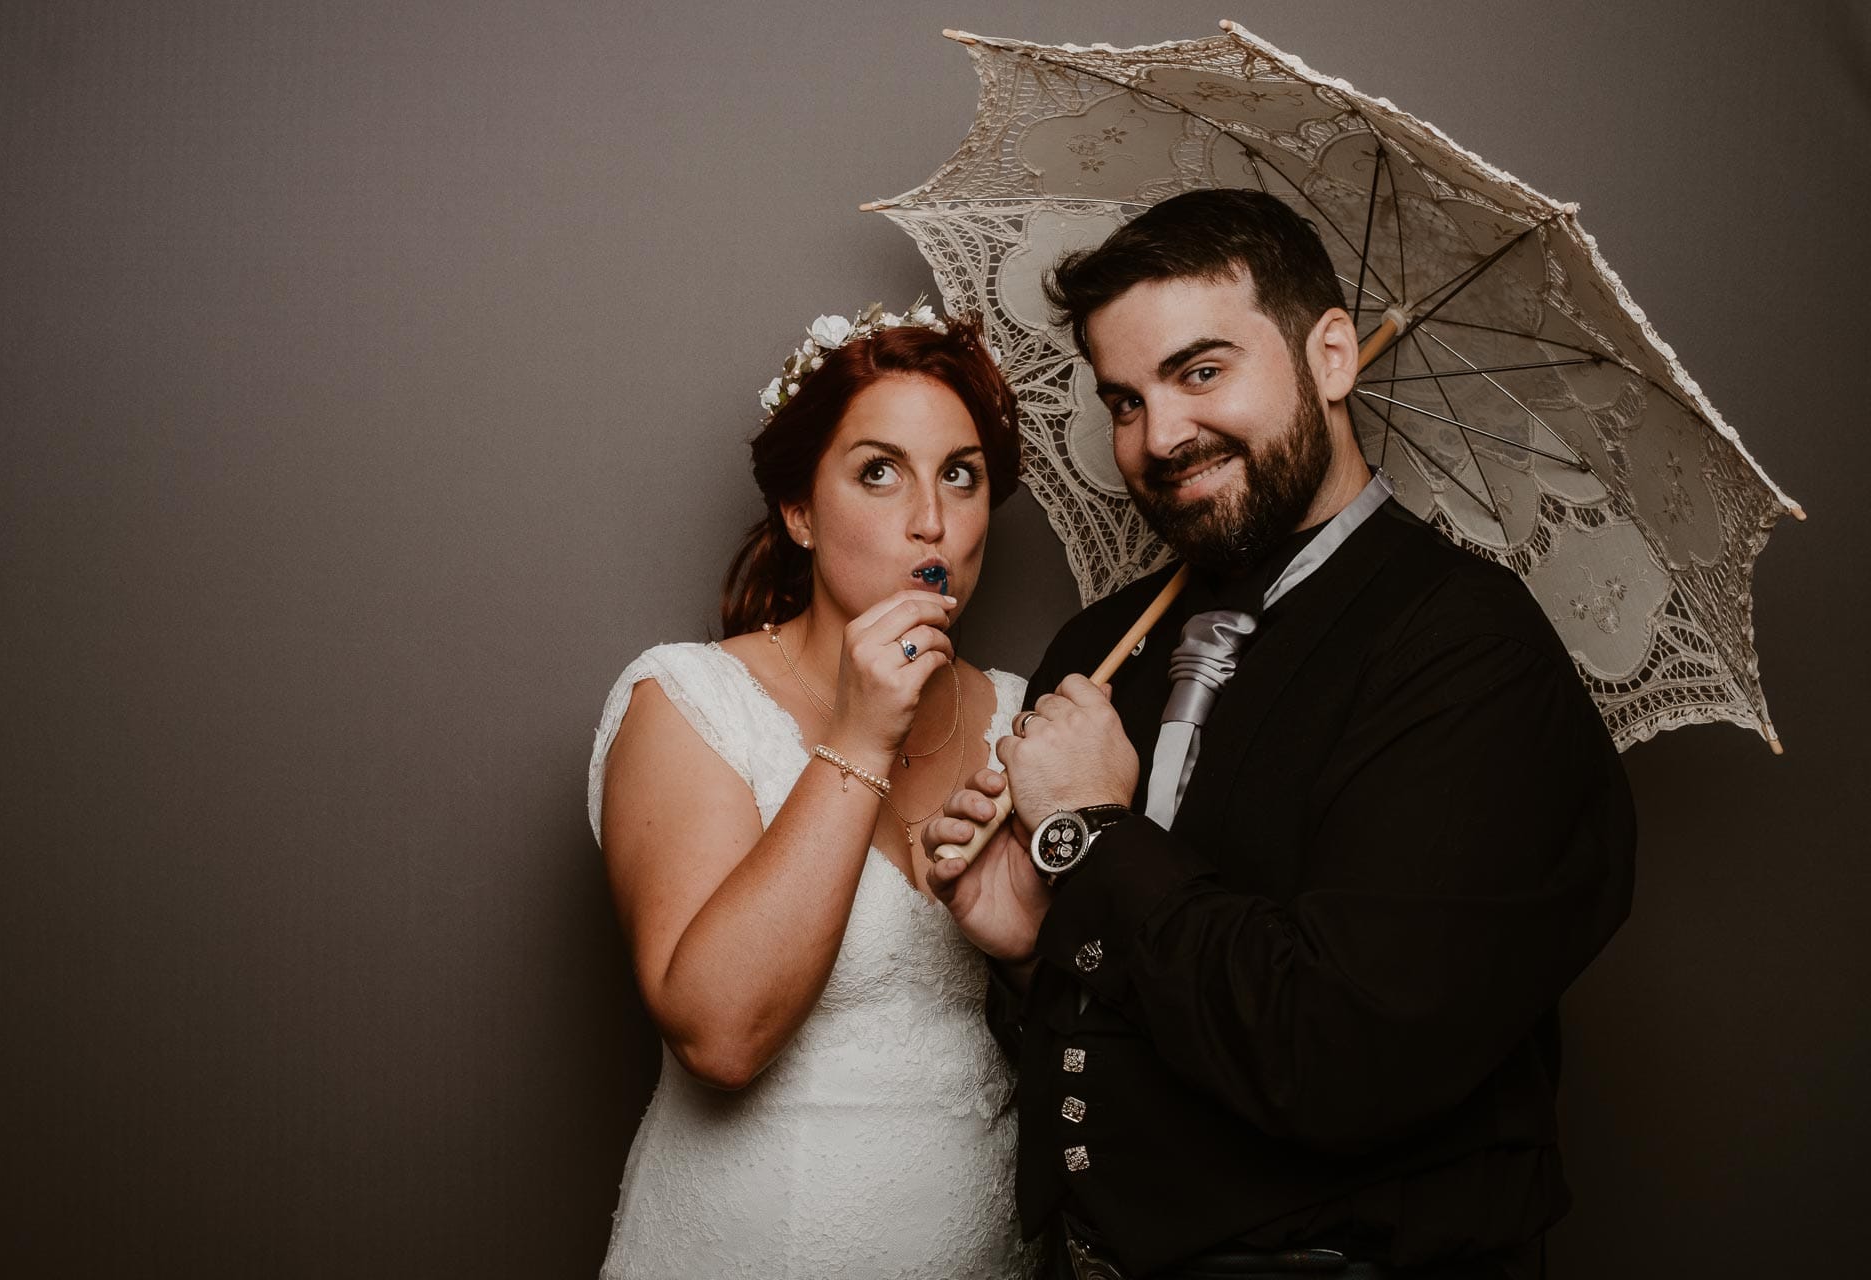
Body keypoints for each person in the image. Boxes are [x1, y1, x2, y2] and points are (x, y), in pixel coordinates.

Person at [926, 190, 1636, 1279]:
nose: (1157, 437)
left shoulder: (1468, 650)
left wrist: (1093, 830)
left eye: (1199, 371)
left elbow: (1339, 1052)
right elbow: (1109, 1028)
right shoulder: (1099, 643)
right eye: (1123, 399)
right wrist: (1028, 948)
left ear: (1334, 354)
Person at [588, 302, 1041, 1279]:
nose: (931, 518)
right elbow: (718, 1032)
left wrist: (1030, 951)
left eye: (958, 474)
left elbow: (1097, 1038)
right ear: (798, 509)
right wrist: (859, 733)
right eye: (879, 470)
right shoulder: (687, 699)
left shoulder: (1019, 718)